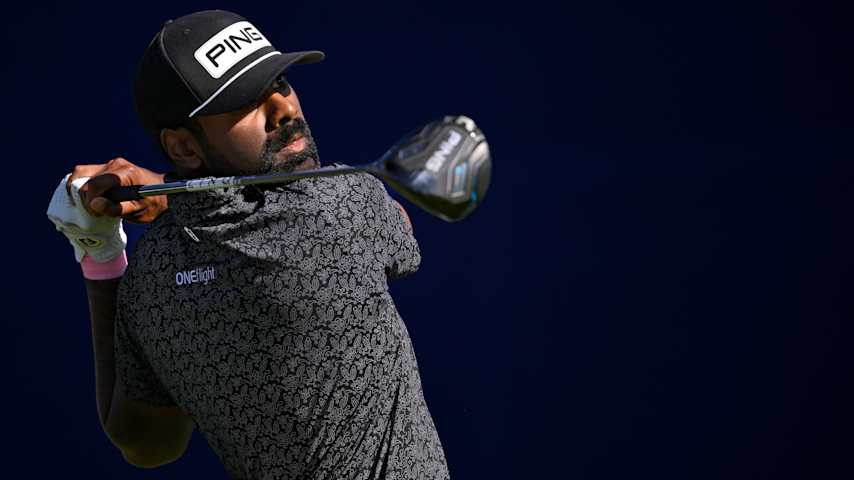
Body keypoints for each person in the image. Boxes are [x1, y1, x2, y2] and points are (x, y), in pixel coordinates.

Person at [46, 10, 450, 480]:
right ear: (184, 148)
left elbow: (146, 442)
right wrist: (165, 189)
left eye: (280, 82)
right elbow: (399, 228)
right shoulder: (342, 205)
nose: (284, 109)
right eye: (245, 102)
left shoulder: (151, 277)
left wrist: (99, 253)